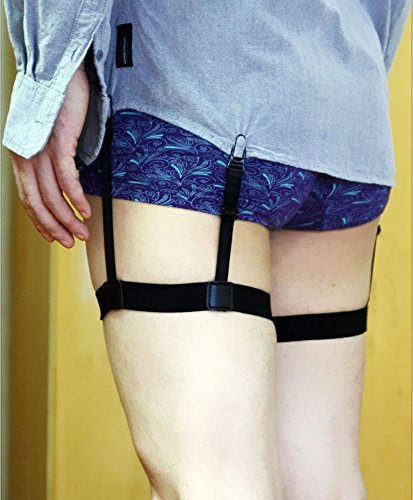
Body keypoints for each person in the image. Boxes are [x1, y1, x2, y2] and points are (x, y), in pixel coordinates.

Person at [3, 1, 410, 498]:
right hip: (344, 109)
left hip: (184, 97)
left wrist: (48, 74)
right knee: (322, 482)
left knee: (214, 480)